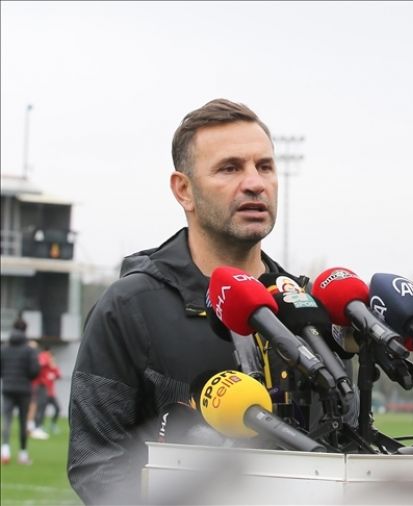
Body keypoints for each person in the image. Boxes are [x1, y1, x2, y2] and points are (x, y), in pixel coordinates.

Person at [67, 99, 292, 504]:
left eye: (265, 166)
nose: (255, 182)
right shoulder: (130, 305)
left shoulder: (301, 307)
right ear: (183, 190)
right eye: (230, 168)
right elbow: (96, 464)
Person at [1, 317, 40, 465]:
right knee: (23, 422)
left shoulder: (4, 348)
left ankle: (5, 451)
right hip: (24, 390)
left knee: (6, 420)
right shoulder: (29, 350)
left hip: (7, 388)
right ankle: (23, 454)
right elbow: (34, 371)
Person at [33, 345, 62, 436]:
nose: (50, 358)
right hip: (42, 391)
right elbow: (41, 363)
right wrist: (46, 358)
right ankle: (38, 426)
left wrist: (53, 366)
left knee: (57, 408)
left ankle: (52, 424)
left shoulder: (52, 368)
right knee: (41, 409)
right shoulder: (43, 365)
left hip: (51, 393)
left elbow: (58, 375)